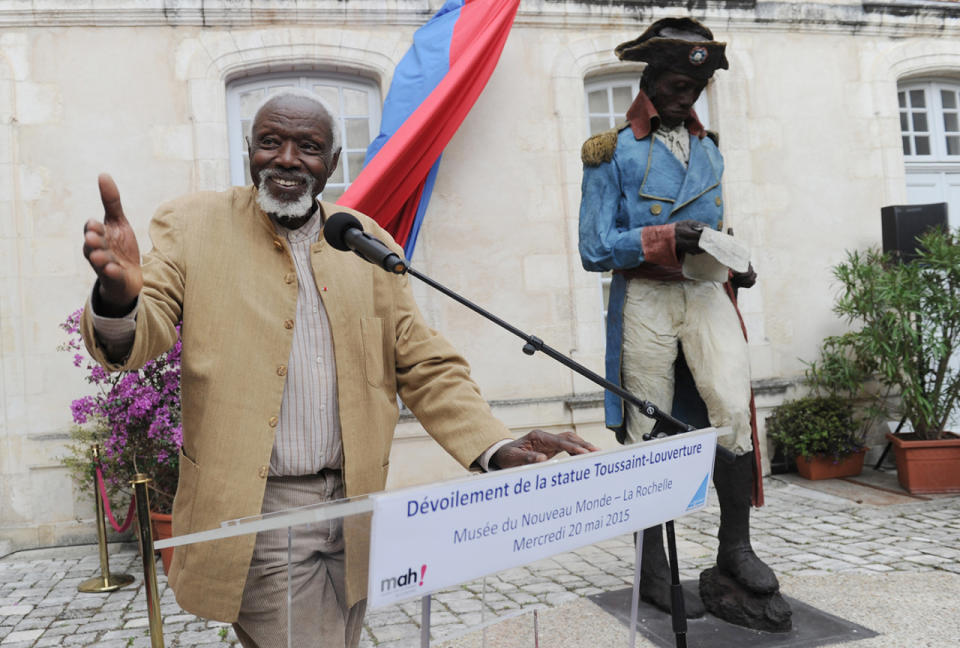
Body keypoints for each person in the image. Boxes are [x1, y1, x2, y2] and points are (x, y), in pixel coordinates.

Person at [81, 88, 597, 648]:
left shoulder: (364, 240)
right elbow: (142, 332)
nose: (285, 159)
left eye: (308, 146)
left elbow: (422, 360)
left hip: (358, 509)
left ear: (332, 161)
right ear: (248, 149)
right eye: (270, 142)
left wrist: (494, 445)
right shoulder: (192, 225)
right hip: (260, 514)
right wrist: (117, 297)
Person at [577, 18, 777, 618]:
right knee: (648, 425)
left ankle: (735, 548)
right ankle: (653, 568)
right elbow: (594, 248)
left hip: (705, 293)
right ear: (648, 82)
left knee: (731, 407)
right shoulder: (609, 152)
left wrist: (732, 260)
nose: (682, 97)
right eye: (672, 84)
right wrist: (667, 235)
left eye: (693, 87)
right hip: (646, 296)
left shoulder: (710, 147)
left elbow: (715, 226)